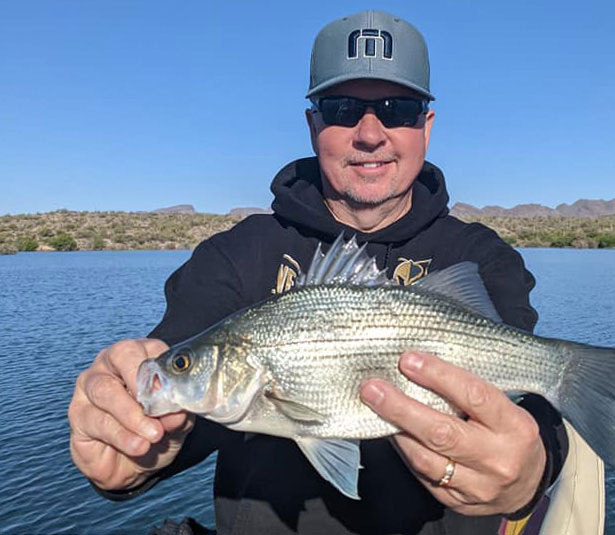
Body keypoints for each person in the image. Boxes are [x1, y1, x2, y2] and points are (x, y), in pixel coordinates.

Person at [68, 10, 568, 535]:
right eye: (343, 108)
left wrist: (534, 468)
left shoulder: (483, 257)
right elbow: (172, 402)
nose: (370, 133)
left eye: (397, 109)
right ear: (313, 124)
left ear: (427, 125)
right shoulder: (234, 257)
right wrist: (131, 444)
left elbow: (535, 413)